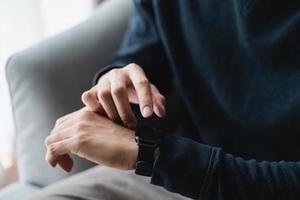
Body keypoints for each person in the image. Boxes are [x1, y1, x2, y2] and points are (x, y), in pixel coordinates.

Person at [37, 0, 300, 199]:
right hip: (184, 171)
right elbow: (144, 51)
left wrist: (154, 154)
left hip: (259, 182)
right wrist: (115, 88)